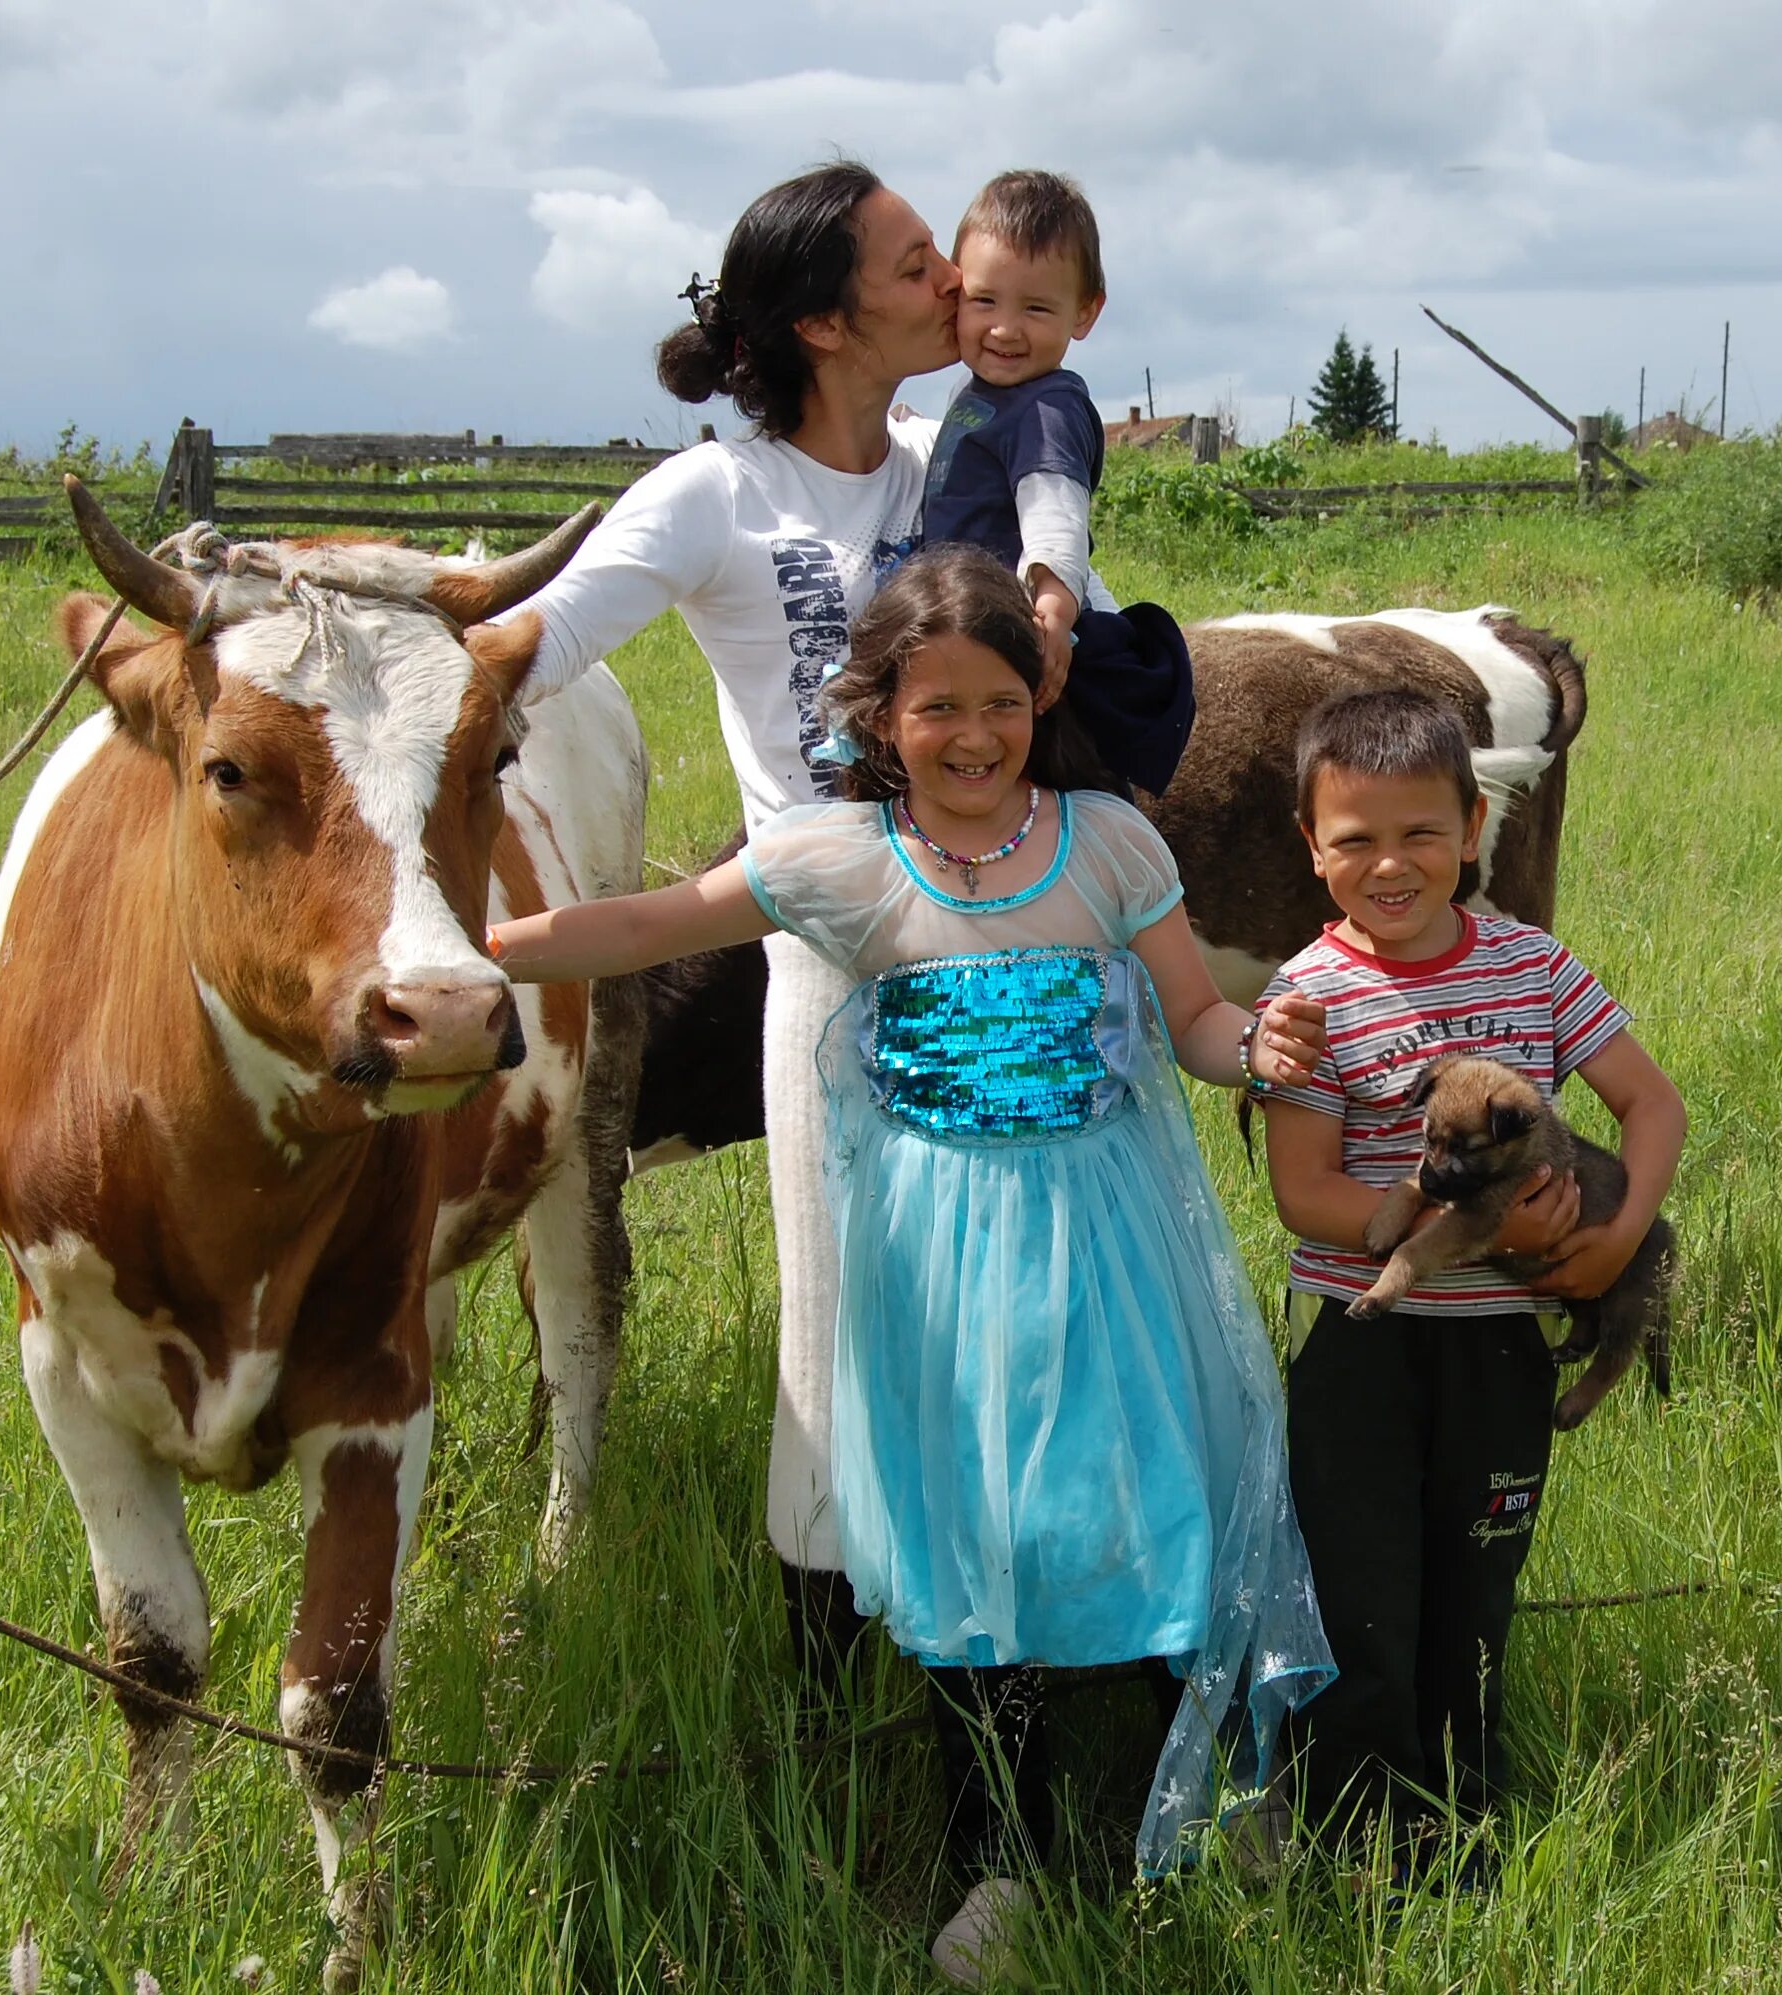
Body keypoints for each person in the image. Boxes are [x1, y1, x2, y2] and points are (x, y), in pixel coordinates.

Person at [488, 548, 1336, 1979]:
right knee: (969, 1540)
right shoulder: (836, 859)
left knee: (1136, 1493)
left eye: (1002, 700)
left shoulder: (1111, 843)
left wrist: (1260, 1048)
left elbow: (1195, 1018)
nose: (973, 733)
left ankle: (1200, 1797)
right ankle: (998, 1850)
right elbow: (653, 922)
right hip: (932, 1257)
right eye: (936, 703)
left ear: (1038, 700)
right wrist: (480, 938)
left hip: (1105, 1237)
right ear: (879, 713)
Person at [495, 161, 1178, 1681]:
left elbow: (1072, 643)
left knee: (1034, 1322)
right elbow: (535, 647)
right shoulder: (715, 494)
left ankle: (1043, 1660)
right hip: (832, 942)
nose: (957, 281)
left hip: (1019, 941)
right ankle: (827, 1701)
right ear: (822, 318)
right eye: (917, 260)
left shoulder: (965, 452)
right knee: (836, 1329)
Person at [1256, 689, 1686, 1874]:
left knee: (1474, 1591)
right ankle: (1347, 1834)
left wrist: (1616, 1239)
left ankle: (1457, 1828)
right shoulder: (1306, 996)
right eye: (1354, 840)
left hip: (1500, 1352)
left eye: (1421, 835)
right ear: (1310, 846)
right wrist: (1459, 1229)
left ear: (1475, 830)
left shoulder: (1536, 967)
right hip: (1360, 1345)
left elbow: (1651, 1104)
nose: (1389, 865)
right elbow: (1305, 1195)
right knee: (1361, 1593)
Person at [922, 168, 1195, 792]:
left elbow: (1054, 511)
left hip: (1029, 635)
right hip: (984, 627)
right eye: (984, 300)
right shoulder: (983, 394)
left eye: (1036, 308)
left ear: (1085, 312)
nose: (1004, 329)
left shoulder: (1047, 409)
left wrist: (1051, 608)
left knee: (1060, 780)